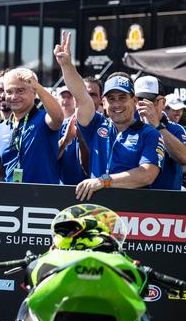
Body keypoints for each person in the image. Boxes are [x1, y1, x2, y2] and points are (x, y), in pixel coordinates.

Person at [55, 31, 165, 200]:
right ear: (103, 103)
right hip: (97, 208)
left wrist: (104, 181)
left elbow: (147, 175)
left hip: (133, 211)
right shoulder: (96, 125)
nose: (117, 104)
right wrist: (67, 65)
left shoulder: (149, 133)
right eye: (111, 99)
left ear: (134, 101)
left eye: (122, 98)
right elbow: (81, 96)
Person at [0, 67, 64, 183]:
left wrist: (37, 86)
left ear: (34, 92)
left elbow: (58, 117)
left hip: (43, 194)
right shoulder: (1, 129)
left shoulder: (44, 119)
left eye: (20, 91)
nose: (14, 97)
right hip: (10, 194)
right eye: (9, 92)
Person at [134, 75, 186, 190]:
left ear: (163, 103)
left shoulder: (175, 129)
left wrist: (157, 126)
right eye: (140, 99)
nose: (145, 105)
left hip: (166, 199)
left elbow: (184, 157)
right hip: (135, 198)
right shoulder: (128, 127)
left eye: (152, 101)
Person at [57, 86, 88, 185]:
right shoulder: (55, 126)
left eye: (69, 97)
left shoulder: (95, 123)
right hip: (64, 186)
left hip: (89, 186)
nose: (66, 100)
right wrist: (65, 140)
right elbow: (48, 159)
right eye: (63, 97)